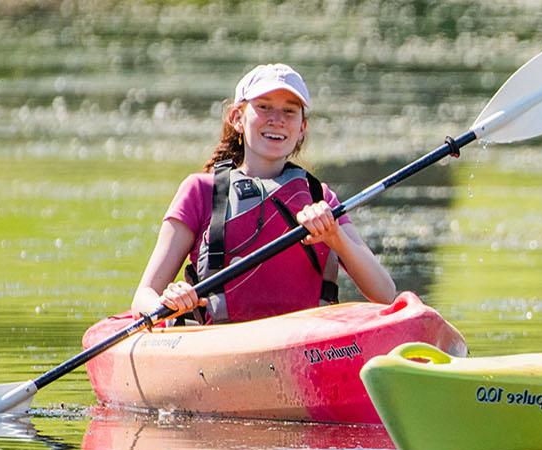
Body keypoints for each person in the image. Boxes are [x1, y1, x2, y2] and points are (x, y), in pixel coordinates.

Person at [130, 64, 396, 324]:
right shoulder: (200, 192)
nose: (277, 120)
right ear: (237, 118)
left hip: (308, 343)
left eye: (289, 111)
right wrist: (170, 302)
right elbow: (143, 297)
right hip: (223, 344)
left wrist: (335, 236)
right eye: (264, 107)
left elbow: (385, 294)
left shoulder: (321, 198)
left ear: (302, 127)